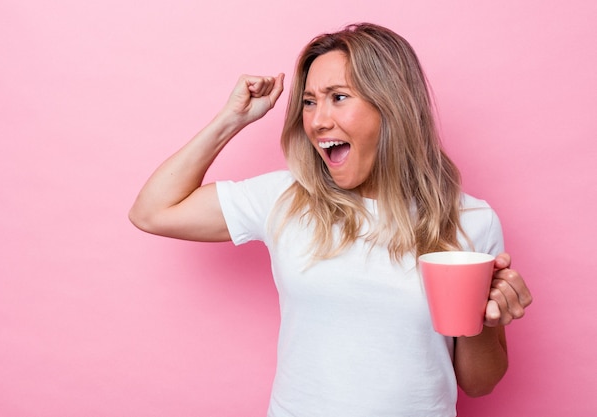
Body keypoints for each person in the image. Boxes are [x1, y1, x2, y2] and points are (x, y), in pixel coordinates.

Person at [129, 22, 532, 417]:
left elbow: (480, 384)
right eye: (309, 101)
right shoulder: (285, 198)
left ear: (392, 105)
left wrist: (488, 316)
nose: (317, 121)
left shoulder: (472, 220)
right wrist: (231, 120)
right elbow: (152, 212)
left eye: (338, 97)